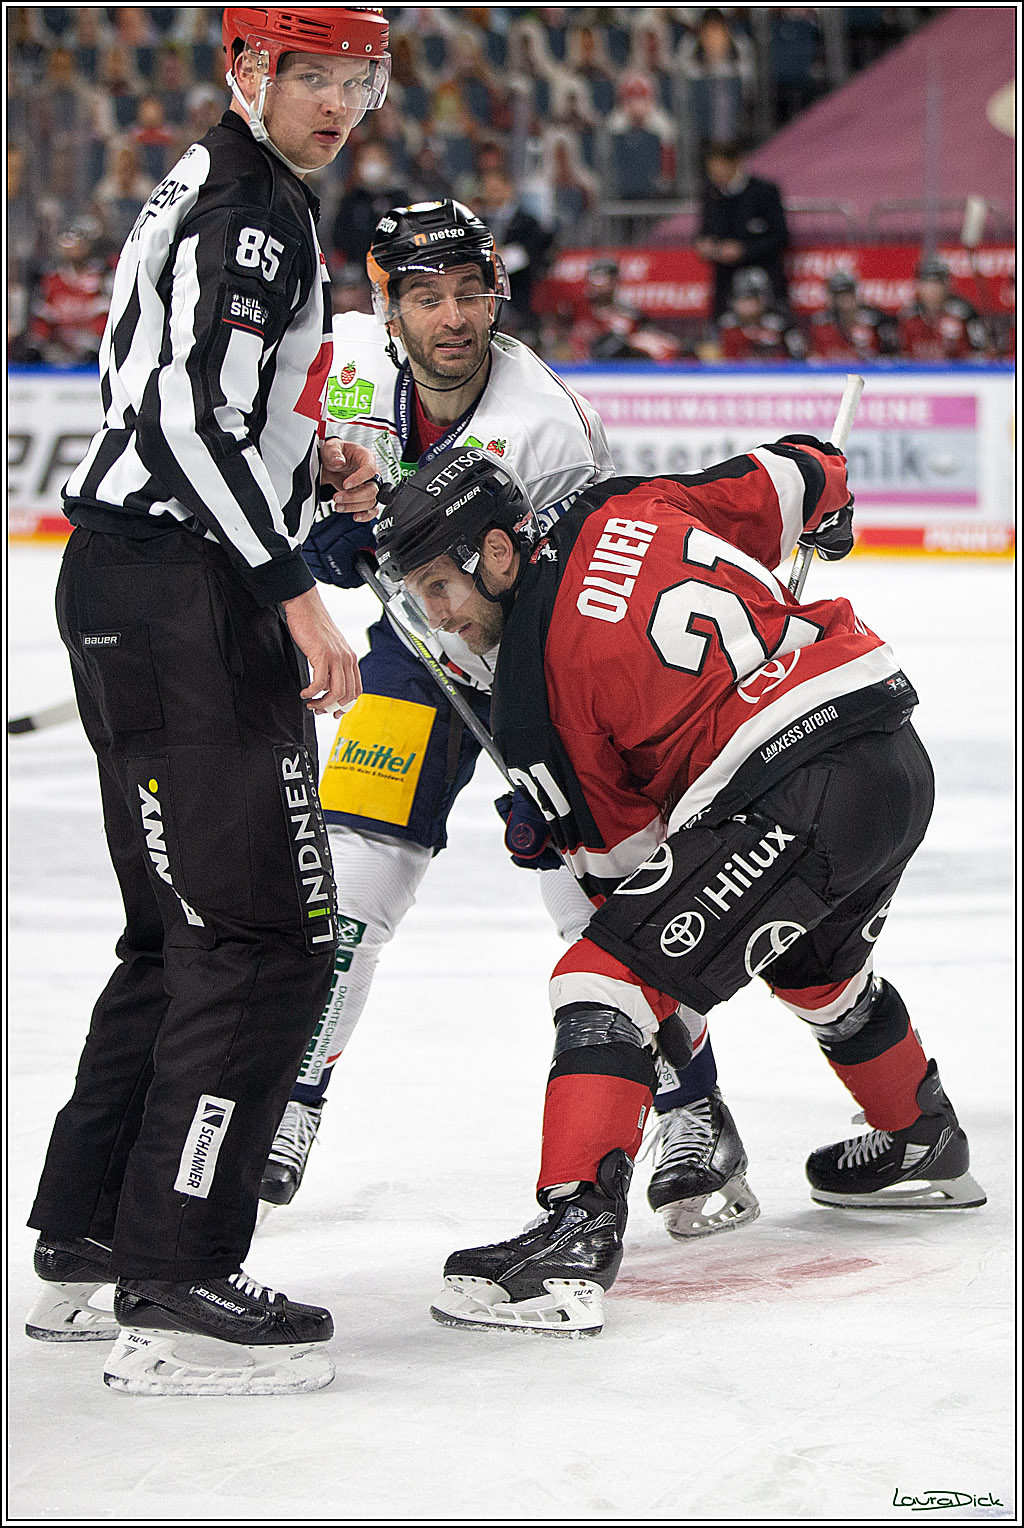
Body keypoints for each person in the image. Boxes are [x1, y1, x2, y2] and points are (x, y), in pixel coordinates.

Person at [374, 442, 987, 1337]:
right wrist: (831, 504)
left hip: (790, 786)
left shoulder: (532, 694)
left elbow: (627, 890)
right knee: (814, 968)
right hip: (888, 749)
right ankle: (919, 1142)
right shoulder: (623, 506)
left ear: (498, 554)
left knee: (602, 979)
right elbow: (800, 472)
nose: (438, 619)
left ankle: (574, 1232)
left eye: (439, 587)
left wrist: (564, 834)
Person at [264, 198, 759, 1243]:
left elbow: (574, 590)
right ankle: (290, 1103)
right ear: (383, 301)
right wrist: (324, 533)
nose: (452, 317)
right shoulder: (337, 360)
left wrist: (548, 756)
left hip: (533, 672)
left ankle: (693, 1111)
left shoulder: (547, 425)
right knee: (349, 882)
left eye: (470, 292)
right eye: (425, 296)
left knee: (590, 901)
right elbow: (280, 493)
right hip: (413, 652)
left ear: (498, 291)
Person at [23, 6, 391, 1397]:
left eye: (359, 79)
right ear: (250, 72)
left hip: (124, 583)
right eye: (314, 76)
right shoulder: (252, 207)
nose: (340, 101)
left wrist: (314, 475)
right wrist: (292, 584)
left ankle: (91, 1237)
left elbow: (194, 404)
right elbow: (184, 417)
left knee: (177, 936)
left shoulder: (212, 180)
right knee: (267, 943)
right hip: (191, 606)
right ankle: (176, 1279)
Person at [697, 139, 789, 322]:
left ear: (736, 163)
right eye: (711, 171)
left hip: (763, 277)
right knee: (726, 335)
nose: (715, 176)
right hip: (726, 281)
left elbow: (780, 236)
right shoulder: (710, 193)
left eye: (719, 169)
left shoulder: (764, 191)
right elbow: (705, 230)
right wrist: (704, 244)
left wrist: (744, 250)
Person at [28, 219, 112, 368]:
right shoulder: (51, 278)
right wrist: (39, 343)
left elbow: (105, 317)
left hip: (93, 349)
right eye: (66, 241)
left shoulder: (101, 276)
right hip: (57, 347)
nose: (71, 247)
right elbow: (43, 319)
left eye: (77, 242)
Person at [568, 256, 682, 362]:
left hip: (615, 371)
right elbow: (558, 343)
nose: (599, 285)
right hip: (575, 370)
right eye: (595, 278)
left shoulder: (630, 314)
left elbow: (651, 343)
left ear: (615, 281)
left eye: (604, 279)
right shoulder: (574, 308)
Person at [896, 255, 991, 360]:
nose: (932, 290)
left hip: (958, 374)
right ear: (918, 286)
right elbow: (898, 357)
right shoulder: (908, 316)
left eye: (937, 284)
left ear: (948, 285)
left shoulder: (964, 314)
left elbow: (982, 353)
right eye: (927, 284)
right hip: (918, 374)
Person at [717, 266, 807, 360]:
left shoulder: (782, 324)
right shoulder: (724, 325)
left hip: (776, 373)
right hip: (733, 373)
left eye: (752, 297)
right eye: (742, 297)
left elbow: (799, 357)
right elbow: (711, 360)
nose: (747, 304)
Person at [808, 270, 898, 361]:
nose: (844, 300)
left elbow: (890, 359)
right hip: (832, 373)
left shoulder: (875, 322)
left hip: (868, 373)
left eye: (848, 293)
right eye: (838, 295)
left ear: (855, 294)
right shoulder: (820, 325)